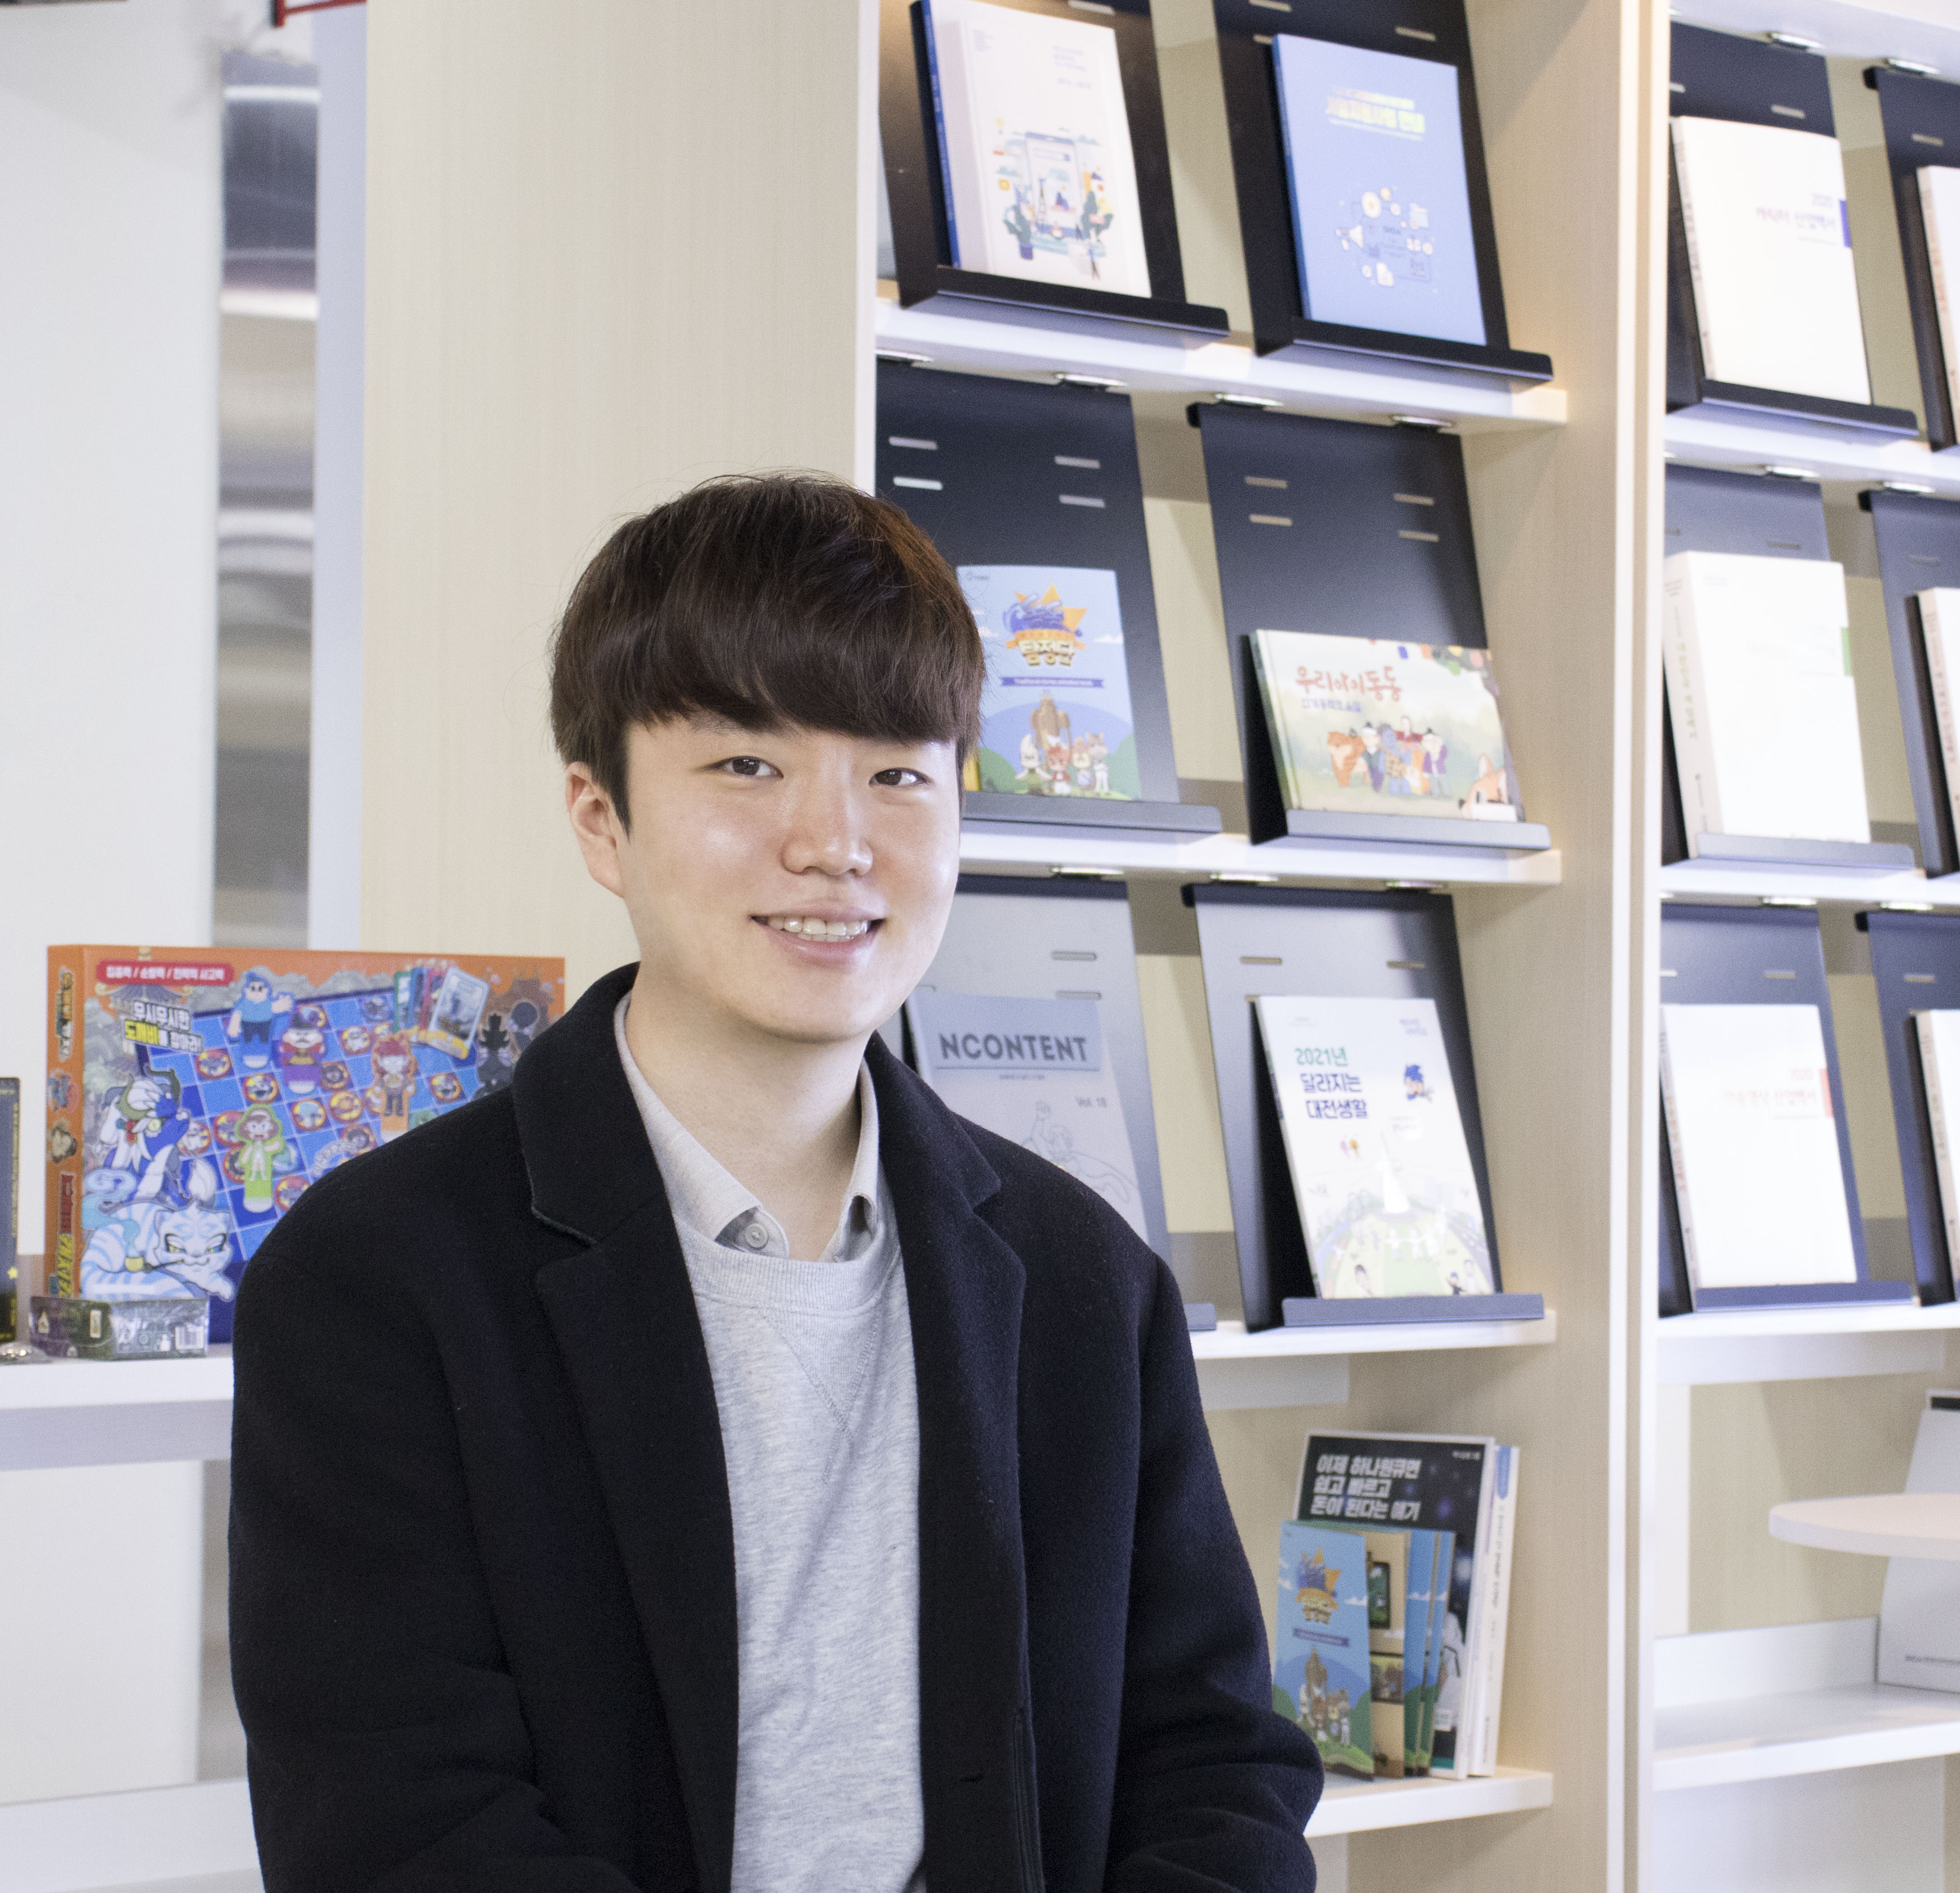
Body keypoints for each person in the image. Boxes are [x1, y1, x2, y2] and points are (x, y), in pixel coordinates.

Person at [228, 473, 1320, 1891]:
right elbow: (397, 1823)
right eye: (747, 763)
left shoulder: (1085, 1277)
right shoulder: (377, 1278)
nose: (834, 841)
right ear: (601, 817)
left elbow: (1216, 1766)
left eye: (898, 773)